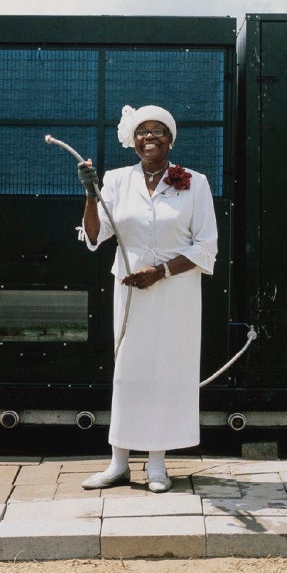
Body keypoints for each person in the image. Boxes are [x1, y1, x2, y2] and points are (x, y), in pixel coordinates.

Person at [75, 104, 219, 494]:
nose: (149, 137)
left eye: (158, 131)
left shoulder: (194, 182)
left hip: (177, 291)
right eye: (142, 132)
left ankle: (157, 463)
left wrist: (162, 271)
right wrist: (90, 194)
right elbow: (94, 236)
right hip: (131, 289)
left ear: (170, 139)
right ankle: (118, 463)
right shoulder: (117, 181)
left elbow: (207, 245)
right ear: (132, 140)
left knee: (169, 370)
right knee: (129, 371)